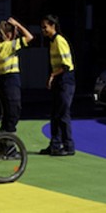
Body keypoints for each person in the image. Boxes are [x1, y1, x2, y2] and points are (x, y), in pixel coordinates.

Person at [40, 14, 75, 156]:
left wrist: (52, 76)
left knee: (63, 114)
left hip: (65, 80)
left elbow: (66, 66)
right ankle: (54, 144)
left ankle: (68, 146)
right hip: (59, 80)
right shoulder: (52, 41)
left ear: (52, 26)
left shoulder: (60, 41)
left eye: (45, 27)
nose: (43, 30)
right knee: (55, 114)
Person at [0, 17, 33, 133]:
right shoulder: (9, 46)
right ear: (9, 34)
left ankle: (4, 140)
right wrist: (17, 24)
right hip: (11, 79)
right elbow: (30, 37)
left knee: (7, 111)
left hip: (2, 79)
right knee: (14, 110)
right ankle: (8, 141)